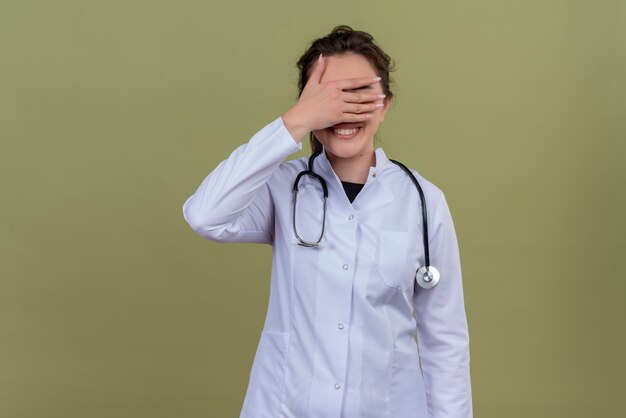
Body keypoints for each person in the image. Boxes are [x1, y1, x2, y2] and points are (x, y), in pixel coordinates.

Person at [182, 25, 473, 418]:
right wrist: (294, 123)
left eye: (359, 96)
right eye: (329, 97)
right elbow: (205, 215)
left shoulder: (424, 202)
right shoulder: (283, 188)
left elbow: (446, 342)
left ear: (385, 104)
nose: (344, 111)